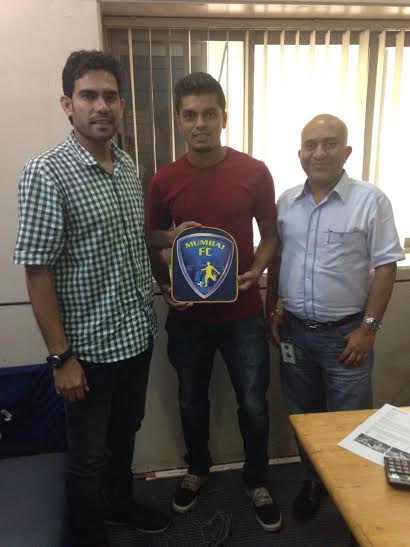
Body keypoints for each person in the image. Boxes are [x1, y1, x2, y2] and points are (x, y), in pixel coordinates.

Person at [14, 50, 170, 547]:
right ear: (68, 104)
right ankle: (89, 537)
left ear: (121, 104)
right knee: (87, 457)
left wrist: (169, 239)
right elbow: (37, 271)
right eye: (89, 96)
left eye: (110, 96)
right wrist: (61, 358)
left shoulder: (125, 165)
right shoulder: (47, 172)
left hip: (135, 337)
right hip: (87, 353)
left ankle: (120, 505)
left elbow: (127, 238)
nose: (101, 106)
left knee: (126, 432)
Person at [146, 72, 282, 532]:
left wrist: (258, 270)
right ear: (179, 121)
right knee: (190, 400)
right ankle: (198, 469)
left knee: (254, 404)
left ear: (224, 117)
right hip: (189, 319)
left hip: (243, 315)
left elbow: (271, 234)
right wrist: (166, 286)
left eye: (208, 114)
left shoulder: (255, 171)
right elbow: (150, 238)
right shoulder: (164, 179)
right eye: (190, 115)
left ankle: (257, 480)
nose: (199, 123)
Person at [266, 114, 405, 523]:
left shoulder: (370, 201)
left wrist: (369, 330)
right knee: (306, 419)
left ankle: (353, 500)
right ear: (299, 154)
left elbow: (386, 266)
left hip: (347, 338)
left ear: (346, 151)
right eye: (311, 145)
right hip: (294, 333)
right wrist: (275, 307)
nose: (319, 153)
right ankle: (313, 482)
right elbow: (279, 259)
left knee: (350, 423)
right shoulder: (286, 203)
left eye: (329, 144)